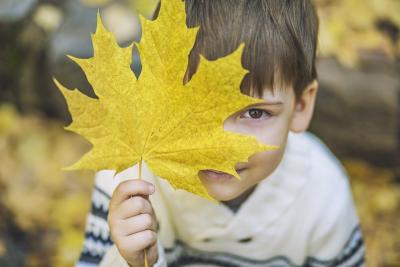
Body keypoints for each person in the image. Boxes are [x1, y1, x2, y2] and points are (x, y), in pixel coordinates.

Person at [75, 0, 365, 266]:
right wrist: (131, 261)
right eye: (191, 107)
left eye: (255, 112)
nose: (219, 144)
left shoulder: (323, 195)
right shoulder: (129, 184)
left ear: (301, 106)